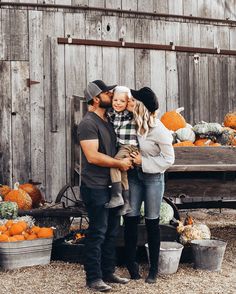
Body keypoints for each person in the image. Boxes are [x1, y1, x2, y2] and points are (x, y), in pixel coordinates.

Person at [78, 80, 132, 292]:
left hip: (111, 185)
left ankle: (108, 271)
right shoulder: (88, 123)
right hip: (95, 186)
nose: (111, 94)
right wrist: (119, 163)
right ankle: (93, 278)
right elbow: (92, 156)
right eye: (107, 92)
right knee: (98, 231)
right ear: (95, 98)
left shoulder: (108, 121)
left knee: (111, 231)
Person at [123, 87, 175, 284]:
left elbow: (169, 159)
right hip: (135, 177)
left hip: (153, 178)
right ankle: (131, 265)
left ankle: (153, 269)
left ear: (141, 106)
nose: (131, 102)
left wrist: (143, 163)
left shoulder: (159, 130)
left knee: (152, 221)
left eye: (134, 100)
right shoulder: (132, 123)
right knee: (131, 217)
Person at [105, 86, 139, 216]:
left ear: (127, 103)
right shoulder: (112, 114)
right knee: (122, 173)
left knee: (114, 165)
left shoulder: (130, 114)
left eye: (122, 101)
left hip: (130, 146)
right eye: (115, 100)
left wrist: (131, 106)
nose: (118, 103)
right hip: (121, 147)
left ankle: (116, 195)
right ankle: (126, 203)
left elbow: (138, 110)